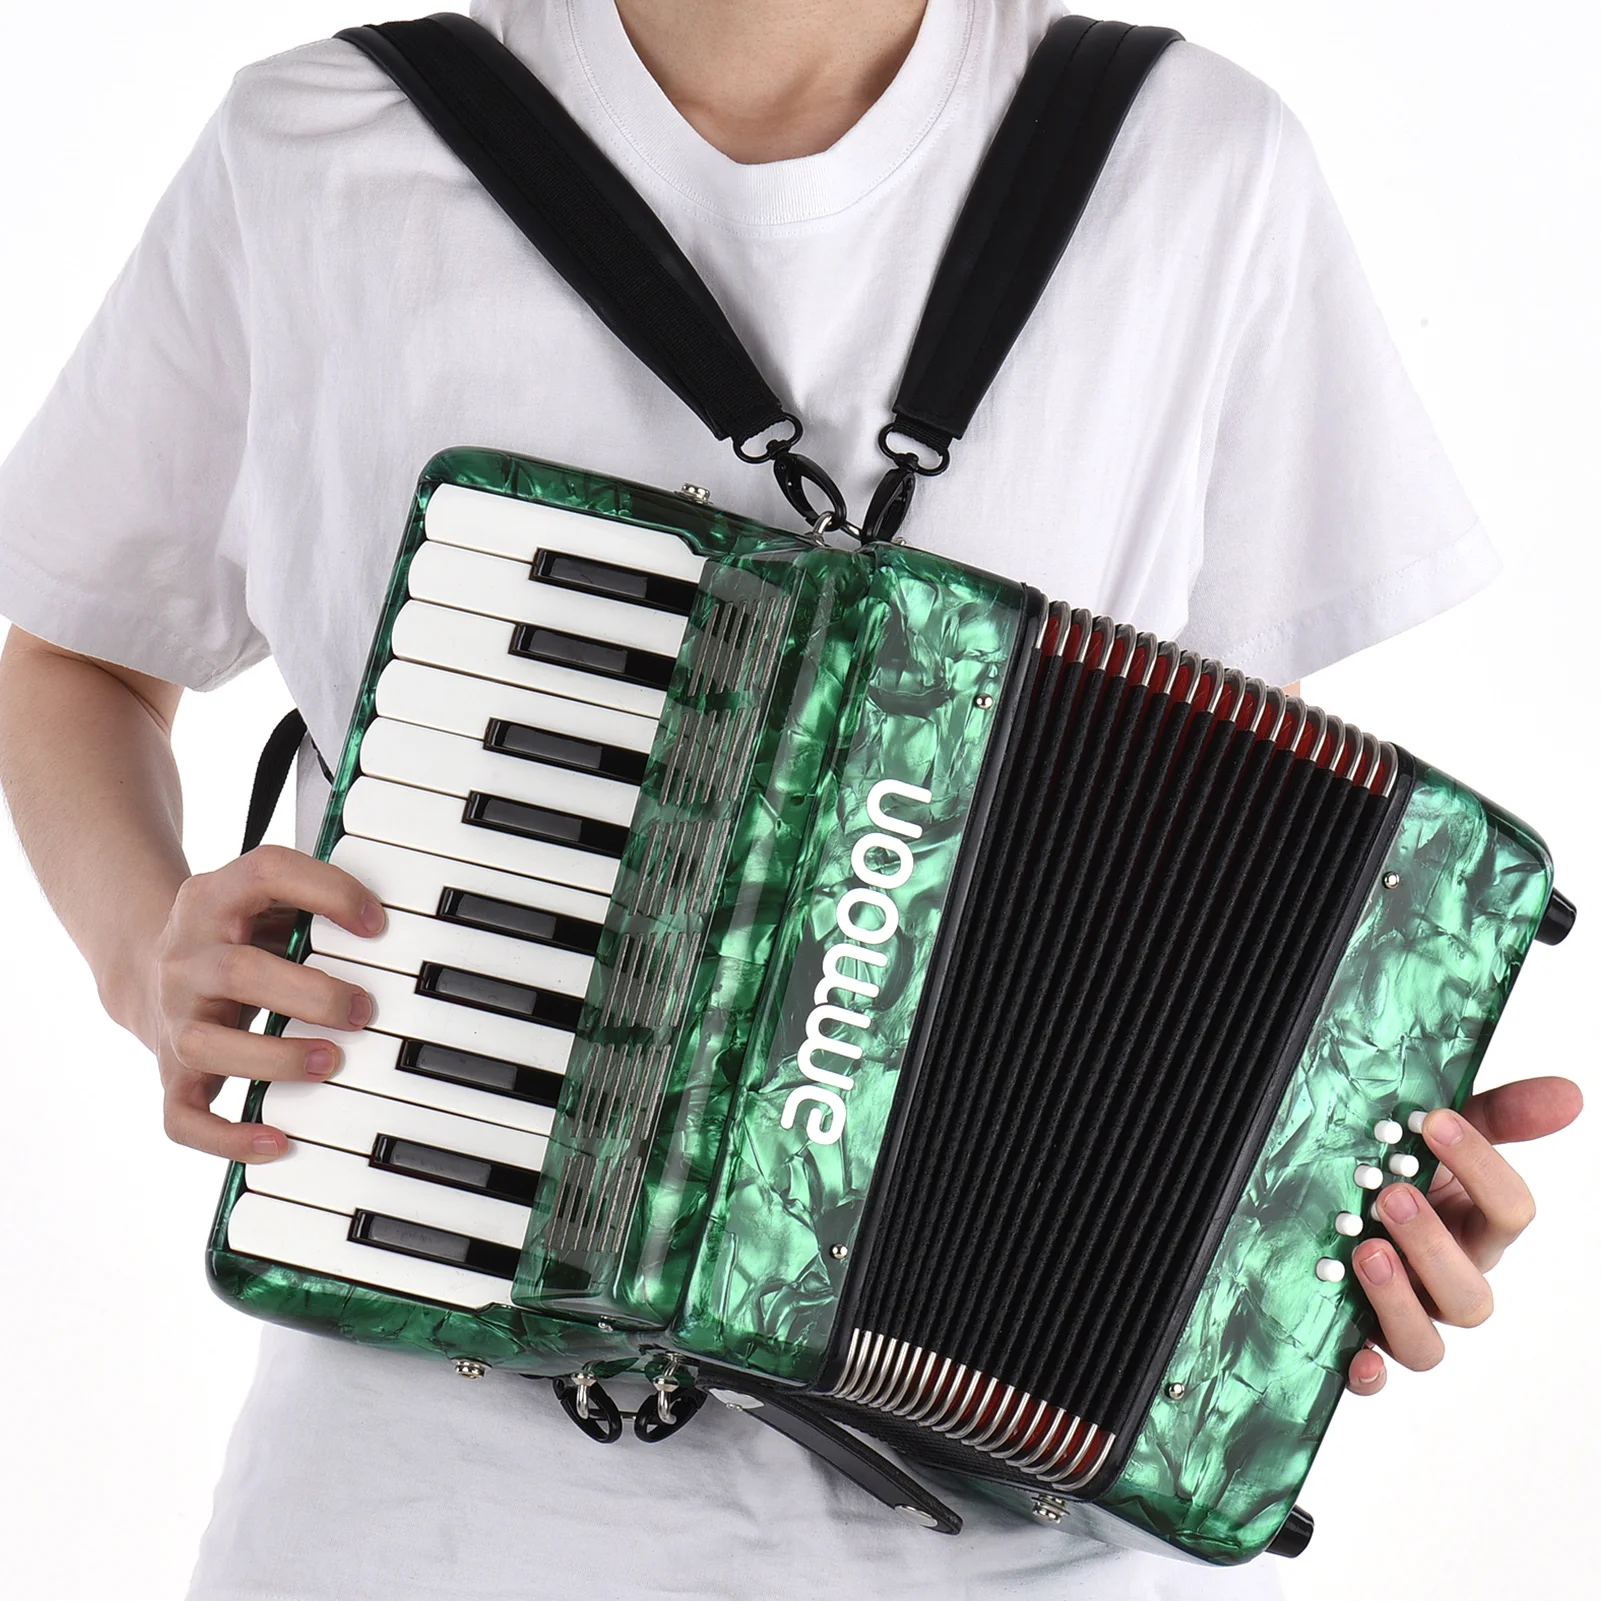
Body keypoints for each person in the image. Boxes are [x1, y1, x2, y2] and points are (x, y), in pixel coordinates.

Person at [0, 2, 1581, 1597]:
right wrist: (146, 956)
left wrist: (1319, 1223)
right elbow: (74, 656)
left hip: (1012, 1542)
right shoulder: (313, 150)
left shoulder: (1197, 163)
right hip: (429, 1501)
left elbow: (1233, 864)